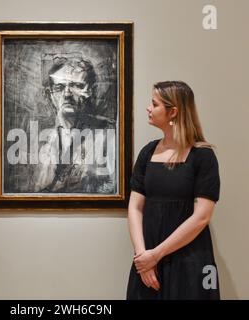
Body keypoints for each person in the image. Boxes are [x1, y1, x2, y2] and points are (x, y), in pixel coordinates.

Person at [126, 81, 221, 300]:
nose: (148, 108)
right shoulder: (147, 152)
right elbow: (135, 207)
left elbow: (202, 217)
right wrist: (143, 258)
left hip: (190, 260)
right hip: (147, 260)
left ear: (173, 112)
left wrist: (156, 254)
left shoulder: (203, 156)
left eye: (154, 104)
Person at [31, 55, 116, 193]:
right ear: (49, 94)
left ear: (90, 90)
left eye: (76, 85)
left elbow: (114, 189)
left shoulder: (109, 132)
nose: (67, 94)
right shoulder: (42, 140)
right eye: (59, 87)